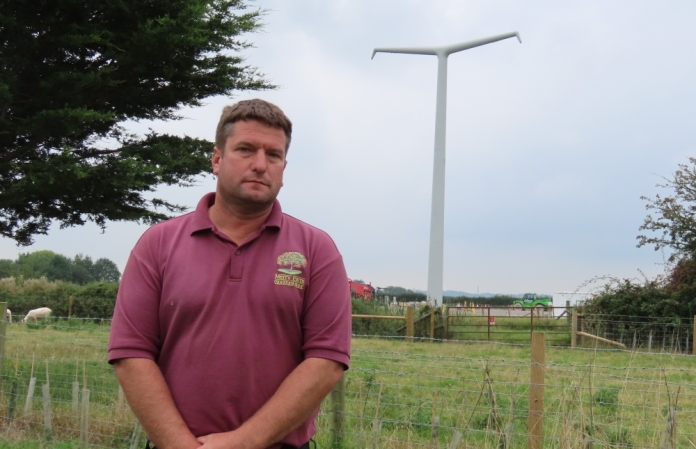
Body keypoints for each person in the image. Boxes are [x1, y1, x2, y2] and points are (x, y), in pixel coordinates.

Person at [108, 99, 352, 449]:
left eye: (273, 155)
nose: (260, 165)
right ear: (217, 159)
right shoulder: (157, 245)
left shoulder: (317, 250)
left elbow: (327, 360)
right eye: (245, 150)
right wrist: (178, 444)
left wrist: (242, 442)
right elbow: (131, 352)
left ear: (284, 166)